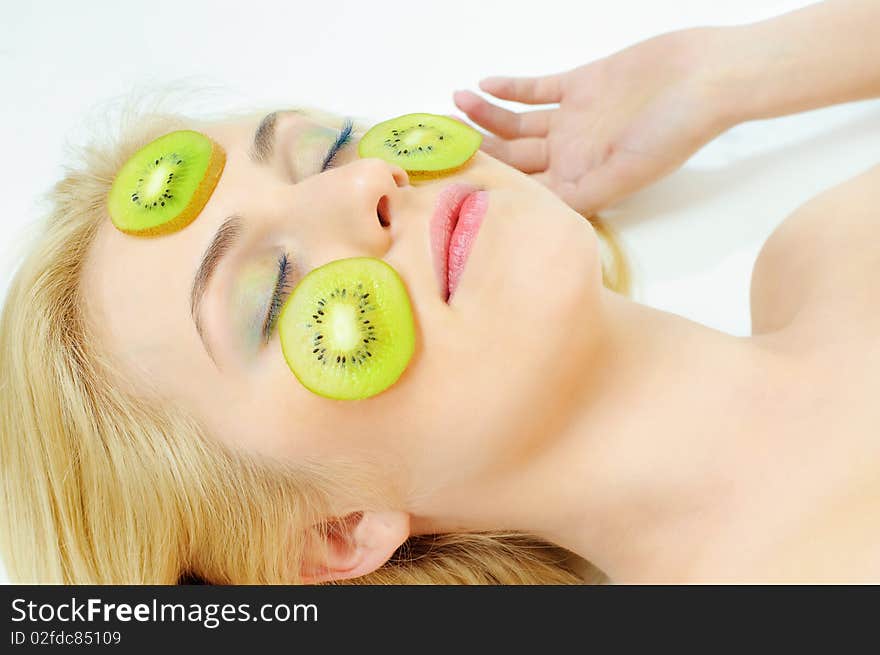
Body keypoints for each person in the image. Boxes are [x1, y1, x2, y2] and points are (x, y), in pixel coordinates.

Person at [1, 0, 878, 584]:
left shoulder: (825, 247)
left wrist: (729, 72)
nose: (365, 185)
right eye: (274, 294)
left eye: (333, 147)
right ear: (333, 534)